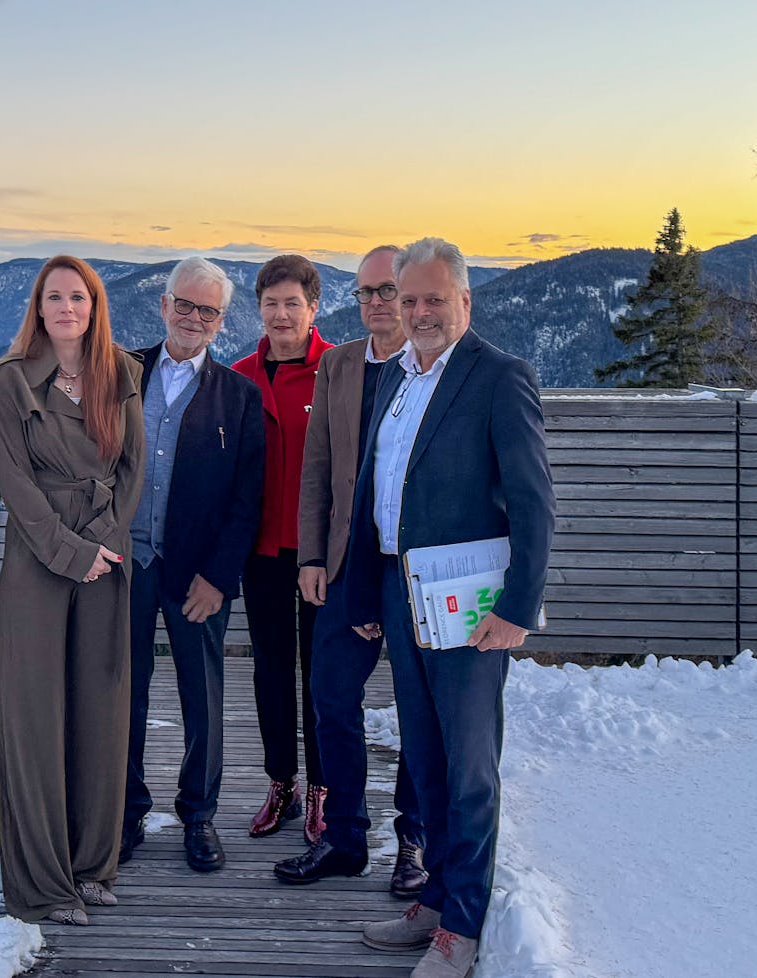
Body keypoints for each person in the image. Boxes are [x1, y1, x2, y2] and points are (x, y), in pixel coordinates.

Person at [345, 238, 555, 978]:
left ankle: (462, 927)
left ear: (465, 300)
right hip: (402, 594)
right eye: (409, 299)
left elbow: (534, 503)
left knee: (469, 769)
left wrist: (518, 607)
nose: (420, 311)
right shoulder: (395, 377)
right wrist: (365, 591)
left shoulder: (499, 377)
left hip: (471, 603)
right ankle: (435, 899)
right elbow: (379, 492)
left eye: (435, 298)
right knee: (425, 758)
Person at [0, 255, 144, 927]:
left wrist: (102, 543)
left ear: (95, 305)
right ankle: (44, 884)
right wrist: (72, 554)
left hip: (107, 555)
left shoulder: (123, 372)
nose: (67, 308)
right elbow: (15, 484)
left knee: (101, 710)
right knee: (36, 718)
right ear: (39, 307)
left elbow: (132, 468)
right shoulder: (6, 381)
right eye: (55, 297)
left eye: (79, 296)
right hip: (40, 561)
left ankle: (91, 865)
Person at [274, 244, 427, 898]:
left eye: (387, 290)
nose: (375, 302)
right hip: (342, 564)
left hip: (414, 570)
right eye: (365, 292)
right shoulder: (337, 366)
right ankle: (344, 838)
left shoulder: (432, 367)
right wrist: (311, 556)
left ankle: (415, 840)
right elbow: (316, 470)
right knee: (331, 697)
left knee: (420, 707)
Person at [122, 257, 265, 872]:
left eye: (208, 310)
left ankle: (199, 815)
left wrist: (220, 578)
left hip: (198, 576)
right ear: (164, 305)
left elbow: (248, 498)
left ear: (222, 321)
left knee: (202, 697)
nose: (193, 318)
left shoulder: (240, 396)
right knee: (122, 692)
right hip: (126, 564)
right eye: (185, 304)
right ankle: (125, 812)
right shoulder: (120, 373)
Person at [231, 254, 335, 841]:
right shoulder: (240, 375)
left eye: (292, 303)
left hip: (320, 552)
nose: (281, 314)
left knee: (321, 672)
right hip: (262, 550)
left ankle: (323, 788)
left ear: (313, 308)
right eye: (271, 304)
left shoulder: (337, 371)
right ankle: (282, 783)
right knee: (270, 668)